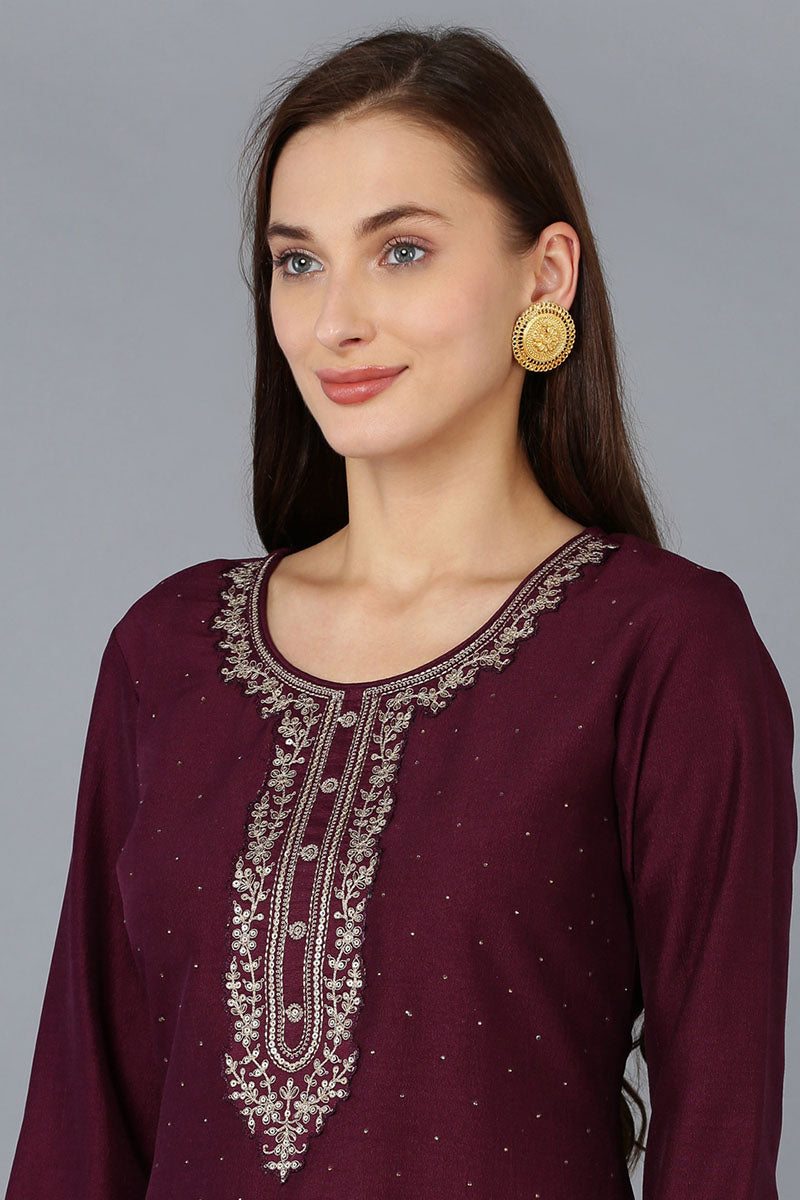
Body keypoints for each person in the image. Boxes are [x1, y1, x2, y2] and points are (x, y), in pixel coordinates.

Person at [6, 22, 796, 1200]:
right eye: (297, 262)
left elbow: (716, 1148)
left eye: (402, 252)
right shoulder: (165, 654)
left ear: (545, 275)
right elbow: (78, 1133)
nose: (335, 320)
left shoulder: (660, 651)